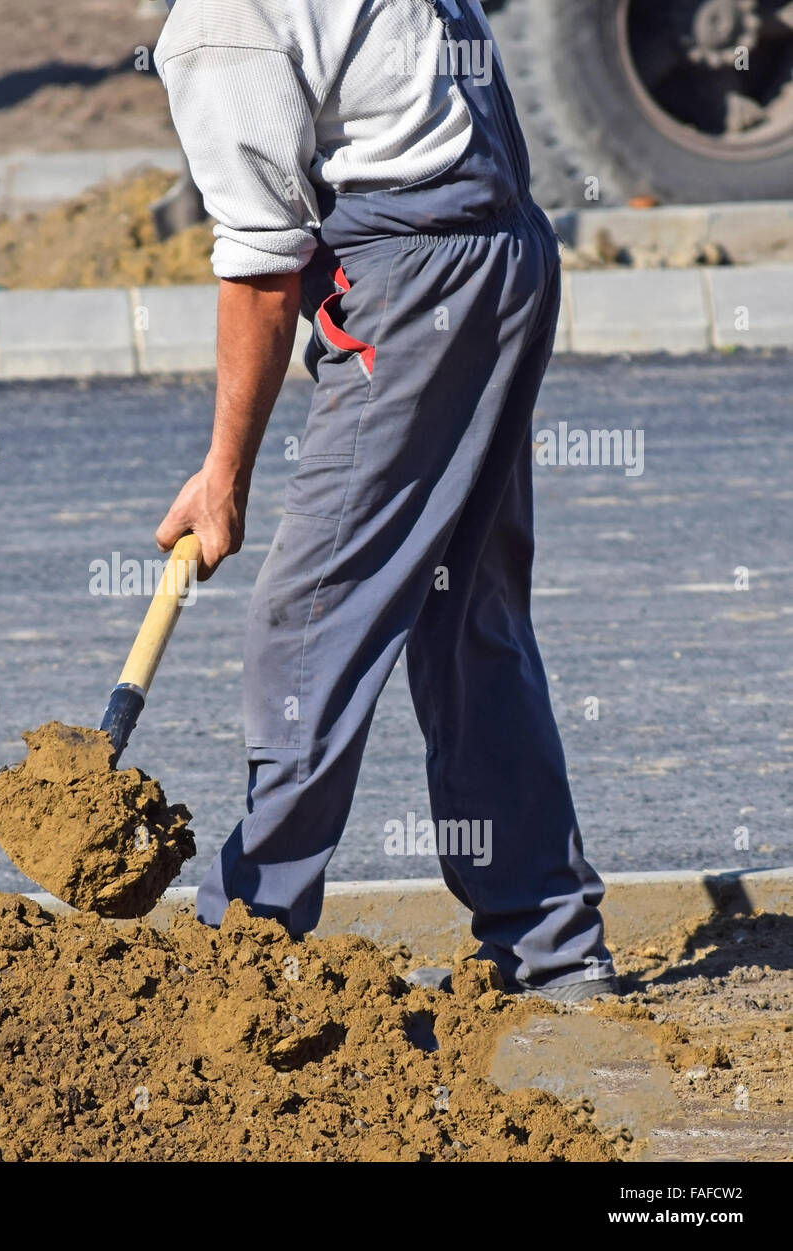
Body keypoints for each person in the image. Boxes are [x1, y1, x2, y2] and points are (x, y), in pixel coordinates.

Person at [152, 0, 617, 1000]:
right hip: (505, 253)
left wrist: (222, 478)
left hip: (418, 279)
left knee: (309, 615)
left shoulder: (219, 24)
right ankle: (549, 949)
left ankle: (248, 952)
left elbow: (263, 269)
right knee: (469, 615)